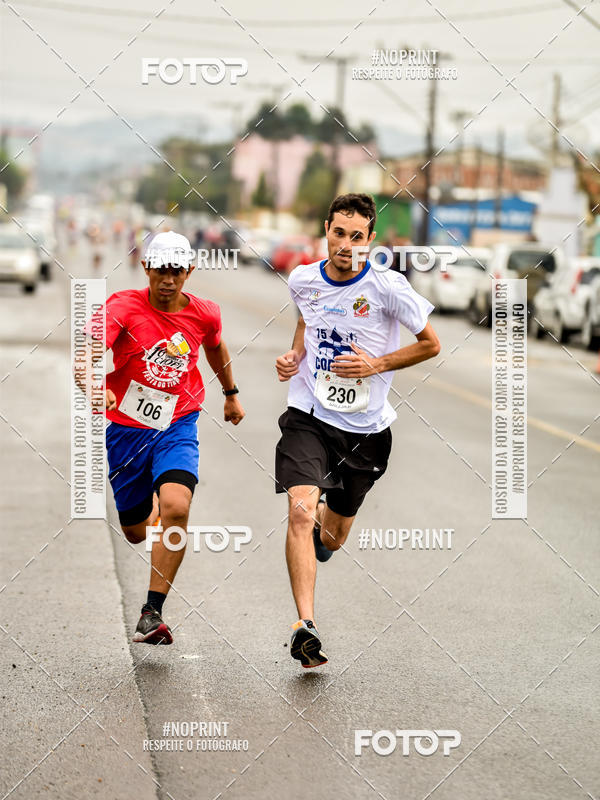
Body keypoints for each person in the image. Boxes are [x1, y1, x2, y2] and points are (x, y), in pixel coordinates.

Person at [274, 193, 440, 668]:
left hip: (365, 431)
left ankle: (328, 536)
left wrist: (377, 363)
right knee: (301, 513)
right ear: (326, 229)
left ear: (370, 241)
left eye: (356, 237)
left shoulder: (389, 288)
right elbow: (305, 325)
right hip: (308, 414)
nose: (346, 245)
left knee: (333, 534)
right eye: (338, 233)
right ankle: (305, 626)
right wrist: (295, 357)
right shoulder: (304, 279)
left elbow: (430, 344)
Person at [81, 231, 245, 645]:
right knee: (136, 532)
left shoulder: (204, 313)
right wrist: (93, 386)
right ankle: (153, 516)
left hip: (177, 424)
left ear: (189, 271)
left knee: (176, 505)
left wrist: (230, 393)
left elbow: (215, 347)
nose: (167, 280)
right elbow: (85, 353)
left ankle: (151, 613)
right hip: (127, 432)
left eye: (176, 271)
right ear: (146, 269)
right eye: (160, 270)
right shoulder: (121, 307)